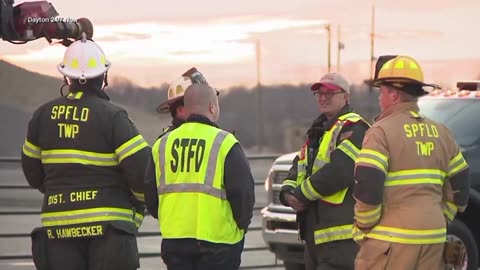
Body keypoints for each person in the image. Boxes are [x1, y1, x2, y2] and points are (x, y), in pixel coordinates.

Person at [21, 33, 150, 270]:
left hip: (59, 228)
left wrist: (62, 190)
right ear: (103, 76)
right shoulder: (114, 117)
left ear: (66, 75)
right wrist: (137, 207)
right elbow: (143, 174)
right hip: (110, 231)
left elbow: (33, 174)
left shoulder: (42, 115)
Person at [353, 55, 471, 270]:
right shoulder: (442, 132)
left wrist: (365, 226)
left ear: (394, 94)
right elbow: (461, 184)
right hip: (434, 237)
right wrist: (442, 215)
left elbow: (368, 186)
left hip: (392, 241)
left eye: (382, 92)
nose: (380, 99)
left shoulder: (380, 132)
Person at [144, 84, 255, 270]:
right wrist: (241, 225)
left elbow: (151, 197)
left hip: (175, 243)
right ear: (212, 107)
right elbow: (243, 194)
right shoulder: (225, 143)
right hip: (219, 244)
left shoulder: (161, 144)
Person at [279, 73, 370, 270]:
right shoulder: (319, 131)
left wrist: (301, 195)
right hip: (315, 234)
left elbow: (340, 171)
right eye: (319, 93)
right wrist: (287, 194)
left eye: (330, 93)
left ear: (346, 97)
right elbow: (298, 164)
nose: (322, 97)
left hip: (341, 236)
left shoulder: (355, 127)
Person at [156, 67, 208, 136]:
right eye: (199, 103)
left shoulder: (164, 141)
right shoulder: (212, 138)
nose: (209, 108)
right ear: (181, 110)